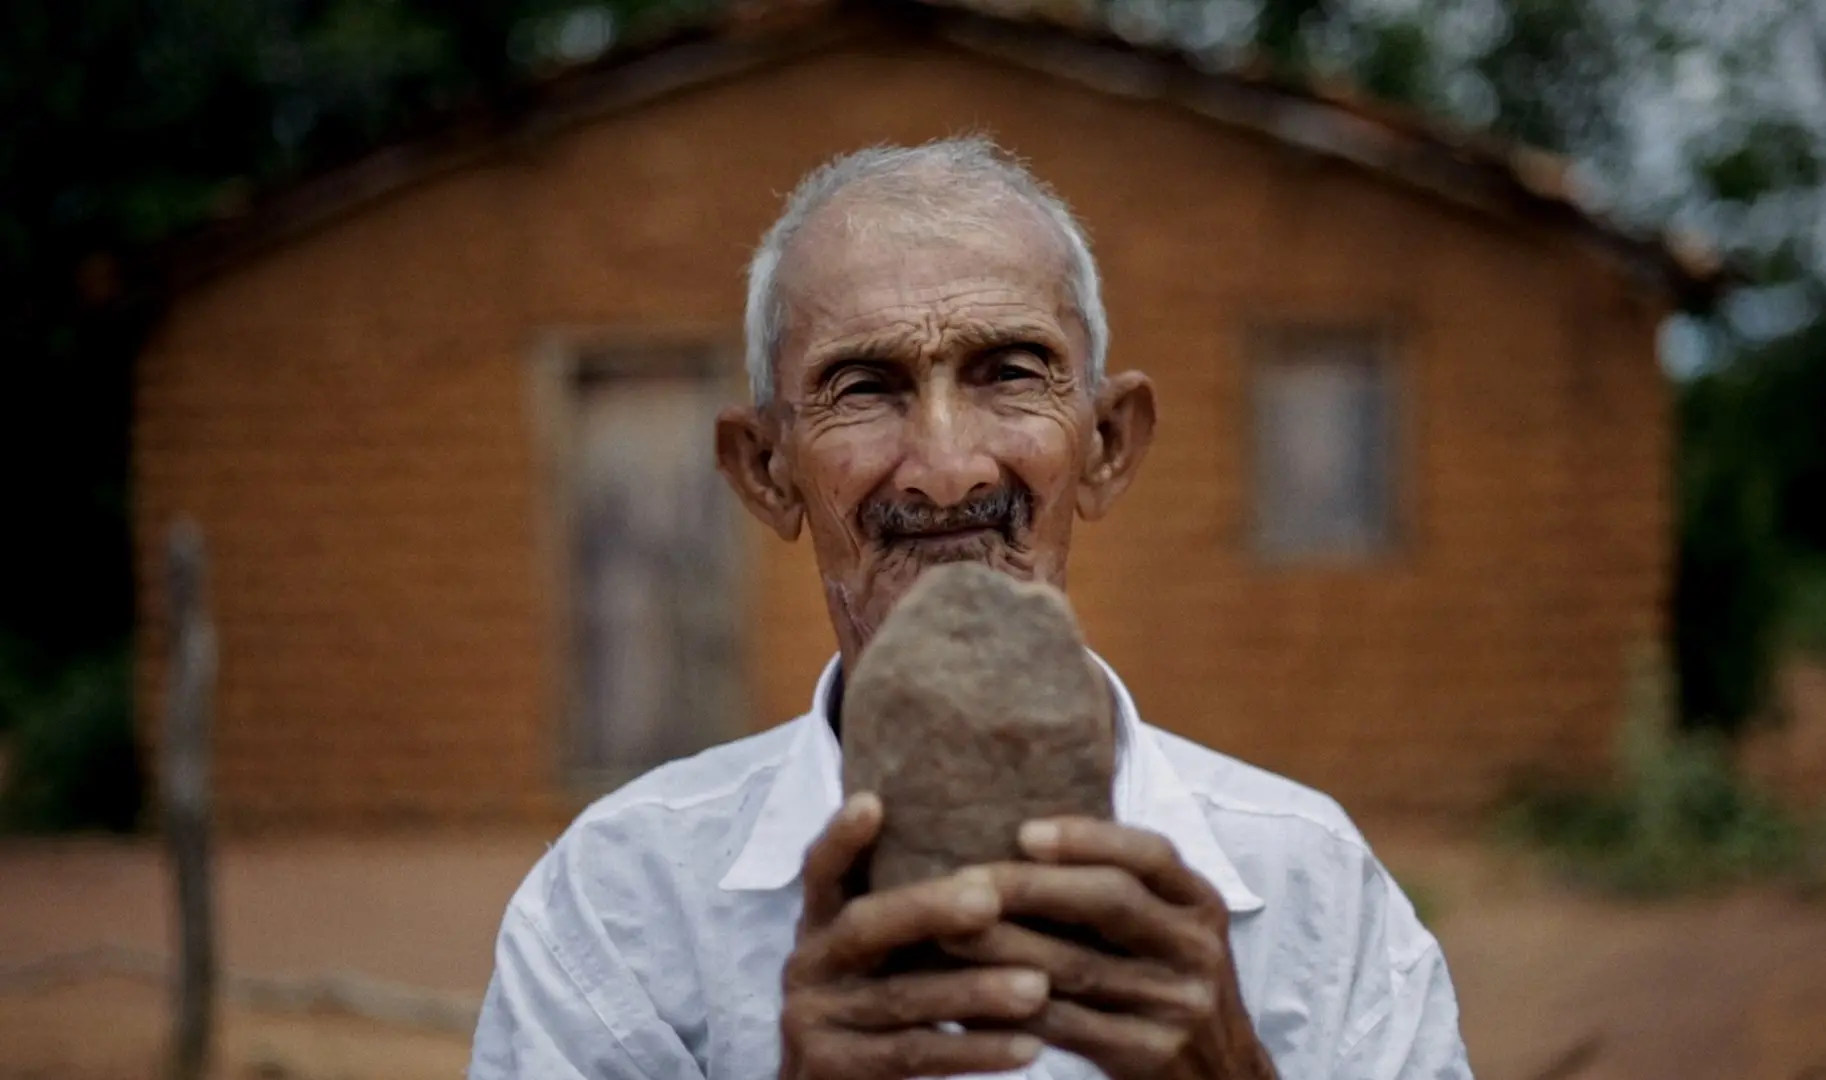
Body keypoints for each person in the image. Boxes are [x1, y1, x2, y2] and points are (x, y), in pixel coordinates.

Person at [469, 136, 1472, 1080]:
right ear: (767, 474)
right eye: (864, 388)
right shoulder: (622, 905)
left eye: (1010, 374)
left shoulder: (1311, 892)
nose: (947, 471)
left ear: (1109, 445)